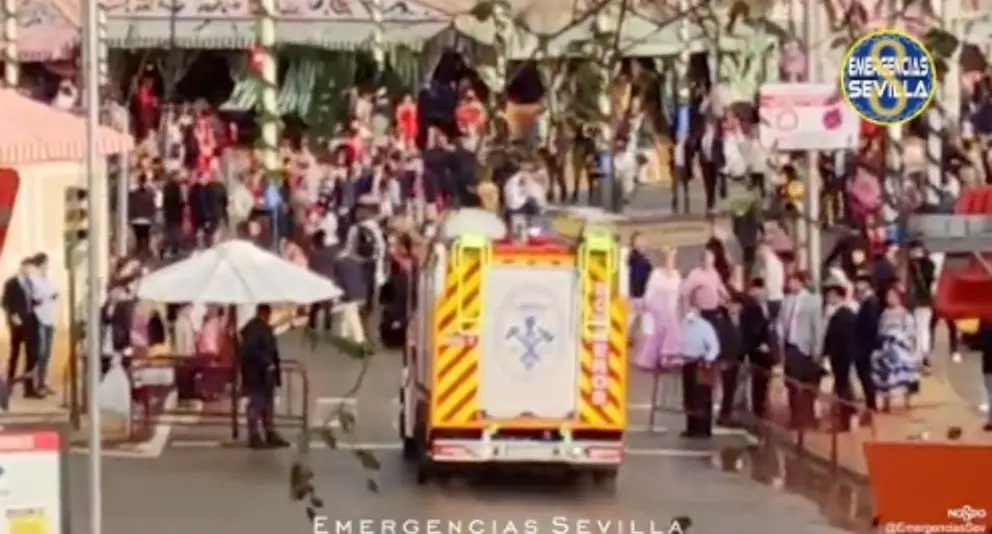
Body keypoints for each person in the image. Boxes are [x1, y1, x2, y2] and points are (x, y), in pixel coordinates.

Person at [239, 304, 289, 449]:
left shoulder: (257, 328)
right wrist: (267, 363)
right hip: (258, 374)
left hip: (263, 374)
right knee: (257, 403)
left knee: (266, 403)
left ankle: (268, 432)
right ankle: (255, 435)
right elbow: (251, 351)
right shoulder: (256, 329)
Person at [777, 271, 823, 428]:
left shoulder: (813, 301)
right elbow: (781, 322)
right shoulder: (786, 301)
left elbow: (817, 327)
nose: (790, 285)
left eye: (793, 281)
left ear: (800, 282)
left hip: (805, 347)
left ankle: (808, 416)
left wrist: (817, 349)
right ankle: (795, 416)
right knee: (791, 383)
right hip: (790, 346)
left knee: (807, 385)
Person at [678, 290, 721, 439]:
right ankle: (691, 428)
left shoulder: (704, 326)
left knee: (702, 396)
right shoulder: (683, 324)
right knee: (689, 397)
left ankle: (703, 429)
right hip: (687, 363)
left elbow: (714, 346)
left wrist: (707, 360)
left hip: (701, 364)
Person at [873, 286, 919, 412]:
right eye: (888, 296)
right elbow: (880, 329)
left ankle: (907, 399)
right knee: (885, 373)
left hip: (901, 346)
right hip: (887, 347)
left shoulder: (905, 313)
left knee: (906, 373)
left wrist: (901, 338)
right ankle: (886, 402)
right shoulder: (884, 313)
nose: (890, 299)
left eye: (893, 296)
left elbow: (910, 330)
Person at [822, 277, 858, 431]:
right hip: (838, 357)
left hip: (842, 357)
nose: (828, 298)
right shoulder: (836, 314)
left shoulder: (845, 315)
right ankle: (845, 416)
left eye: (831, 295)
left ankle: (845, 418)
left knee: (843, 387)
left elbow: (842, 338)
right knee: (842, 386)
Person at [738, 277, 775, 418]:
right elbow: (748, 329)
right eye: (756, 290)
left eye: (761, 290)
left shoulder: (769, 306)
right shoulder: (749, 308)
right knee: (754, 382)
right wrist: (757, 344)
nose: (759, 293)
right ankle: (754, 409)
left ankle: (760, 406)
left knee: (764, 381)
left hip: (768, 350)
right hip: (755, 350)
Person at [2, 259, 40, 397]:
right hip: (17, 322)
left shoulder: (30, 283)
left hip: (30, 320)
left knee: (32, 354)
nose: (30, 271)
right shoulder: (11, 283)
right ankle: (9, 383)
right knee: (15, 353)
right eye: (28, 268)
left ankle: (29, 388)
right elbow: (5, 302)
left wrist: (37, 302)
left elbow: (29, 300)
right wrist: (13, 316)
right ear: (22, 267)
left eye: (31, 269)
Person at [30, 254, 57, 396]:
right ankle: (35, 384)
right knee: (40, 352)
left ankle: (43, 382)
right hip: (40, 319)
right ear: (39, 265)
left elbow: (54, 293)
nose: (47, 266)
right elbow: (34, 299)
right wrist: (46, 297)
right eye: (45, 263)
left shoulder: (48, 280)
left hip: (50, 319)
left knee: (47, 354)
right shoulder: (33, 280)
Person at [853, 272, 880, 416]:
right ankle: (870, 404)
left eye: (860, 282)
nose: (857, 285)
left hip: (865, 346)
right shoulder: (865, 301)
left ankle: (871, 405)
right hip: (863, 345)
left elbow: (871, 325)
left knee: (866, 376)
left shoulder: (871, 302)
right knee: (864, 376)